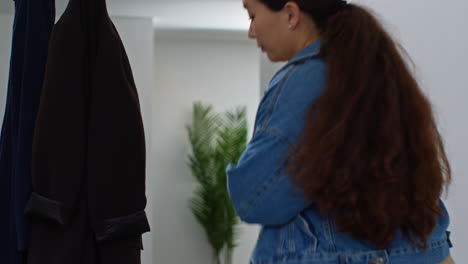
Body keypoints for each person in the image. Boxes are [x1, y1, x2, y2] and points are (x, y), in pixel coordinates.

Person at [226, 0, 454, 263]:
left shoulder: (304, 79)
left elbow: (255, 199)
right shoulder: (379, 73)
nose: (251, 31)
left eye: (252, 15)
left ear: (291, 14)